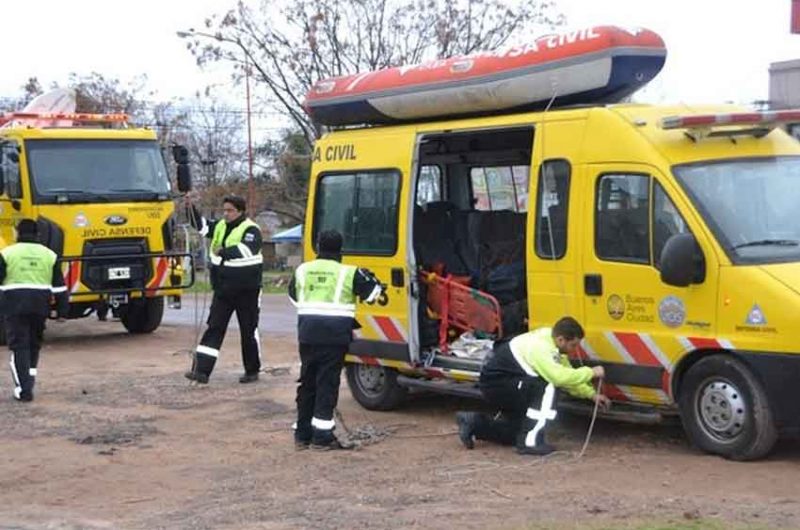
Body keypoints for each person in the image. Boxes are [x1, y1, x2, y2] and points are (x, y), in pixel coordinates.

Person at [456, 317, 610, 455]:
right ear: (561, 339)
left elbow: (567, 373)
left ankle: (474, 423)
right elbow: (558, 377)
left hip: (506, 383)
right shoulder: (542, 348)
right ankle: (530, 443)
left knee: (516, 432)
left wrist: (591, 394)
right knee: (547, 387)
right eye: (573, 345)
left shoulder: (553, 343)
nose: (574, 350)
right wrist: (591, 372)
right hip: (499, 384)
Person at [288, 230, 382, 450]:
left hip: (308, 333)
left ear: (318, 246)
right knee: (327, 383)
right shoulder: (349, 273)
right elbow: (373, 295)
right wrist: (372, 279)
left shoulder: (303, 270)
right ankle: (322, 437)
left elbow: (294, 297)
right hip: (334, 337)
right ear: (341, 249)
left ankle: (302, 435)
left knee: (308, 382)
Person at [184, 195, 264, 384]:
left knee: (248, 330)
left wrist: (224, 252)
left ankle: (252, 370)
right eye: (224, 210)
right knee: (214, 328)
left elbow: (247, 250)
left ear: (240, 211)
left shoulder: (251, 229)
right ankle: (201, 371)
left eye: (230, 210)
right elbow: (202, 226)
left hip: (247, 290)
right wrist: (190, 209)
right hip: (223, 289)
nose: (226, 214)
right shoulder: (220, 226)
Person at [0, 219, 68, 402]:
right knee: (33, 345)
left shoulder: (6, 253)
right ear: (38, 234)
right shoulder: (49, 255)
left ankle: (24, 390)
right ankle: (29, 380)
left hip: (14, 305)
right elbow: (59, 286)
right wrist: (62, 311)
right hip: (40, 305)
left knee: (19, 346)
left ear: (17, 233)